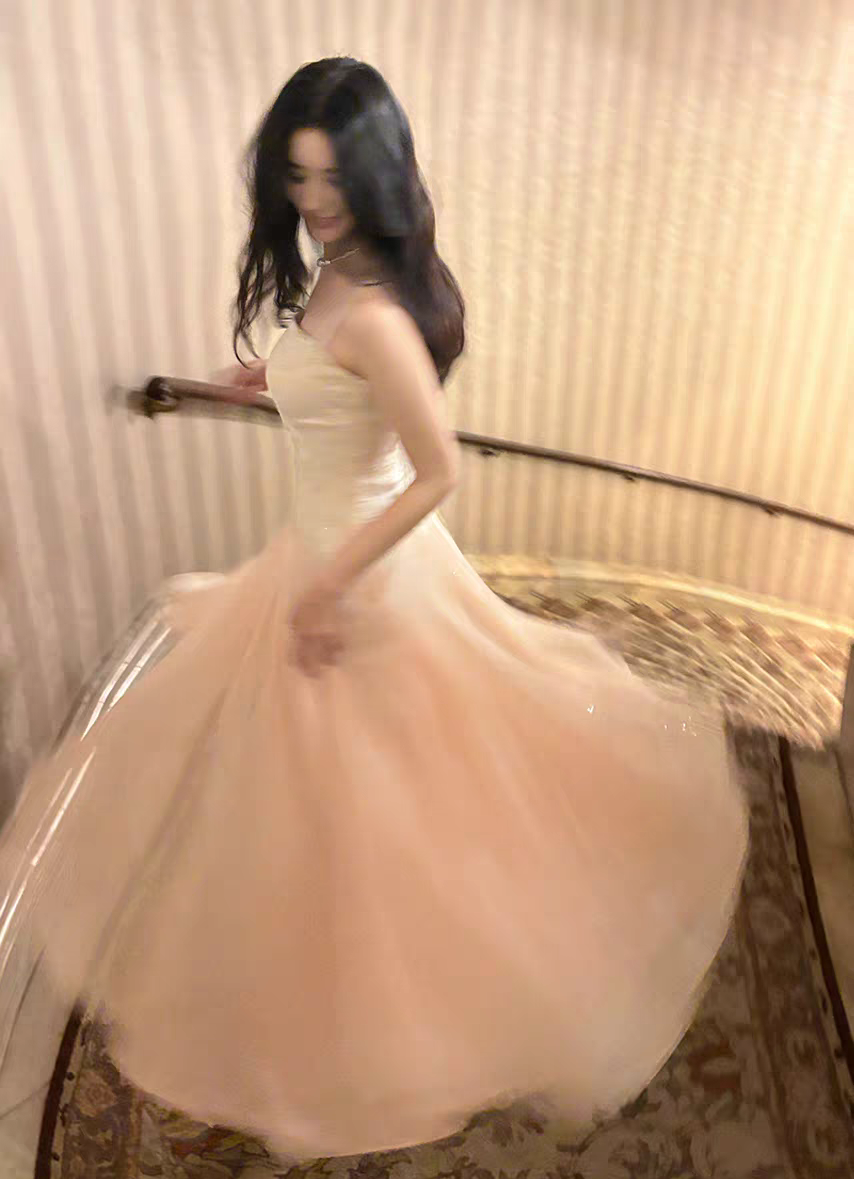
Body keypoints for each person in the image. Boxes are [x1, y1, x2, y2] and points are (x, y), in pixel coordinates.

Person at [0, 58, 748, 1163]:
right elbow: (331, 376)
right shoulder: (336, 271)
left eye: (333, 180)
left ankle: (394, 1003)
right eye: (297, 177)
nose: (314, 202)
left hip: (357, 575)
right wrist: (266, 380)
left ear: (377, 173)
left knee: (384, 793)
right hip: (315, 557)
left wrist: (331, 584)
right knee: (317, 788)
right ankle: (319, 959)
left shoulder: (383, 315)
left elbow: (438, 469)